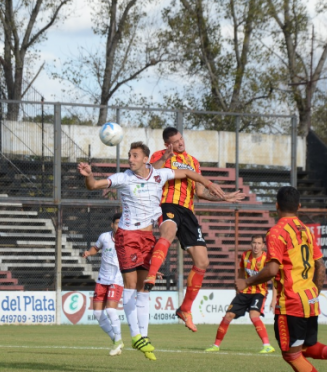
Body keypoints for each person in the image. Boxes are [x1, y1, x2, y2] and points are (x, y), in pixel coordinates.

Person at [78, 141, 224, 361]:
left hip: (147, 238)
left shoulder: (159, 175)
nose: (131, 159)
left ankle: (144, 336)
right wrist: (88, 175)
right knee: (130, 286)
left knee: (145, 287)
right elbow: (94, 185)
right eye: (129, 155)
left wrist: (208, 183)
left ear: (146, 159)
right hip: (127, 236)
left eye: (135, 156)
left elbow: (185, 172)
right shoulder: (123, 178)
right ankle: (136, 336)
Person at [236, 186, 327, 372]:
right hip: (310, 299)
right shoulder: (307, 231)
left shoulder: (276, 232)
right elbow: (321, 266)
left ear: (276, 205)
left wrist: (246, 281)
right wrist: (312, 293)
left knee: (291, 354)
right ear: (299, 206)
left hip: (290, 302)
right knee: (305, 347)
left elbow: (272, 269)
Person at [145, 127, 245, 332]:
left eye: (181, 139)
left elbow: (199, 191)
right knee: (168, 232)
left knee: (202, 261)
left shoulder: (194, 161)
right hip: (167, 205)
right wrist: (165, 156)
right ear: (167, 144)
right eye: (175, 142)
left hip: (188, 212)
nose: (181, 143)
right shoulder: (160, 155)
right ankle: (152, 274)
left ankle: (185, 309)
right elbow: (150, 172)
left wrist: (223, 197)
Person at [205, 235, 276, 354]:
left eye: (259, 243)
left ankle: (267, 345)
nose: (256, 246)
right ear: (251, 244)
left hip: (259, 292)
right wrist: (238, 287)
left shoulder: (267, 259)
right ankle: (216, 345)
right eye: (254, 243)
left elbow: (274, 281)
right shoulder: (245, 255)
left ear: (263, 246)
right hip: (244, 292)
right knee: (228, 316)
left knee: (254, 315)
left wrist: (274, 300)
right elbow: (241, 272)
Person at [82, 212, 125, 356]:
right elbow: (96, 247)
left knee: (111, 310)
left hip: (116, 279)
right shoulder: (104, 237)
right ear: (112, 224)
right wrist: (89, 252)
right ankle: (115, 340)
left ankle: (118, 340)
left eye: (121, 222)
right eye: (117, 223)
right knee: (97, 313)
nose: (119, 226)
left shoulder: (127, 238)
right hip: (102, 279)